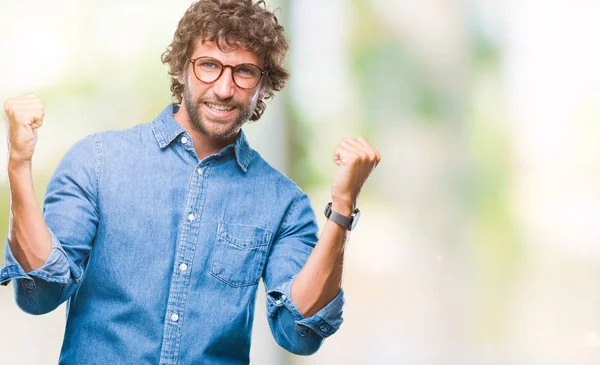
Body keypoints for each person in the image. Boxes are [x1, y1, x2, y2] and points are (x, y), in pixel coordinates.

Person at [1, 0, 381, 363]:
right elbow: (39, 294)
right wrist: (19, 164)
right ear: (182, 68)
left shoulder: (283, 202)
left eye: (244, 71)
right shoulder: (97, 162)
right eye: (209, 65)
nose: (224, 88)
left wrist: (343, 206)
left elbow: (299, 333)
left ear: (264, 84)